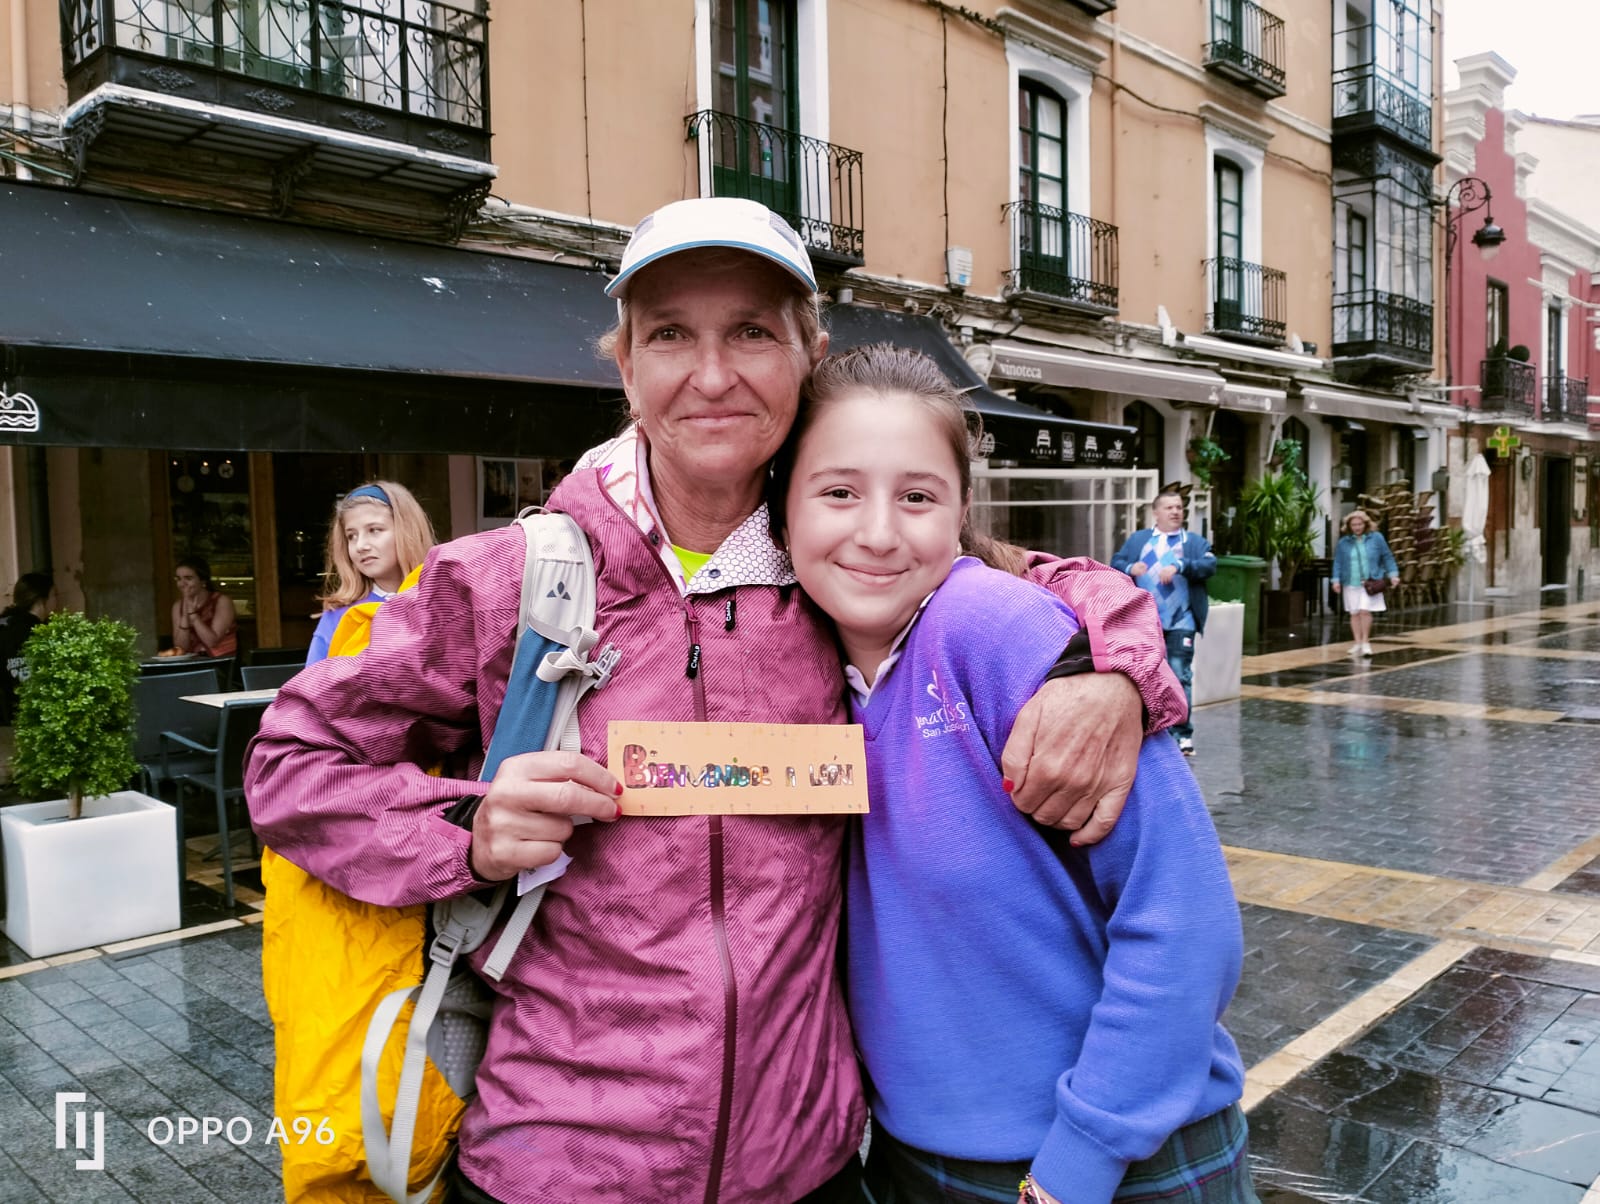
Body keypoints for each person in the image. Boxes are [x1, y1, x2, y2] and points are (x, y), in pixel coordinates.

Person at [246, 197, 1186, 1203]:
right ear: (625, 365)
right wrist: (466, 827)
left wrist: (1117, 674)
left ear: (808, 352)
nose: (710, 374)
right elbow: (288, 767)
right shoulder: (513, 578)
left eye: (749, 331)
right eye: (669, 335)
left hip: (808, 1168)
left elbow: (1042, 582)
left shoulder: (839, 559)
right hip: (554, 1166)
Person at [772, 344, 1253, 1204]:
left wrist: (1078, 1165)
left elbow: (1187, 924)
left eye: (917, 497)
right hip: (919, 1157)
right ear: (784, 511)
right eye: (839, 491)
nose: (878, 532)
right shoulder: (809, 663)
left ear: (961, 513)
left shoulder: (990, 626)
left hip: (1106, 1167)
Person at [1111, 488, 1216, 756]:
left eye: (1179, 507)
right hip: (1145, 621)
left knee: (1180, 675)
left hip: (1183, 619)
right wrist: (1129, 569)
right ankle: (1152, 732)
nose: (1175, 512)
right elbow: (1116, 562)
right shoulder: (1140, 540)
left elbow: (1209, 566)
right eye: (1169, 507)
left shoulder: (1192, 542)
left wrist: (1181, 566)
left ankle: (1182, 735)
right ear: (1155, 512)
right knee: (1143, 678)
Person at [305, 481, 438, 665]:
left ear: (408, 531)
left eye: (374, 530)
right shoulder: (337, 615)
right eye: (352, 536)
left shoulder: (442, 602)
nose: (361, 546)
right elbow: (312, 688)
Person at [1331, 509, 1399, 658]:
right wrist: (1336, 580)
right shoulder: (1344, 542)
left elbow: (1387, 556)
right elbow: (1338, 562)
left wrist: (1393, 574)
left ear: (1366, 524)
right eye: (1354, 525)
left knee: (1364, 611)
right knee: (1354, 613)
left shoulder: (1376, 538)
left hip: (1370, 581)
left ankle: (1365, 642)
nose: (1357, 527)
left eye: (1359, 524)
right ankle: (1357, 643)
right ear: (1349, 526)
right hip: (1350, 582)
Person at [0, 572, 57, 725]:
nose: (56, 602)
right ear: (40, 600)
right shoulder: (40, 633)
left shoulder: (4, 626)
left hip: (6, 717)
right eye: (54, 595)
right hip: (35, 719)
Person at [170, 555, 237, 658]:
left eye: (188, 578)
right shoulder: (177, 606)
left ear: (203, 580)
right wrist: (185, 615)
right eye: (178, 579)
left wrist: (193, 615)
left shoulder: (221, 601)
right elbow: (181, 647)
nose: (182, 584)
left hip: (222, 663)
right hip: (193, 663)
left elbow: (212, 641)